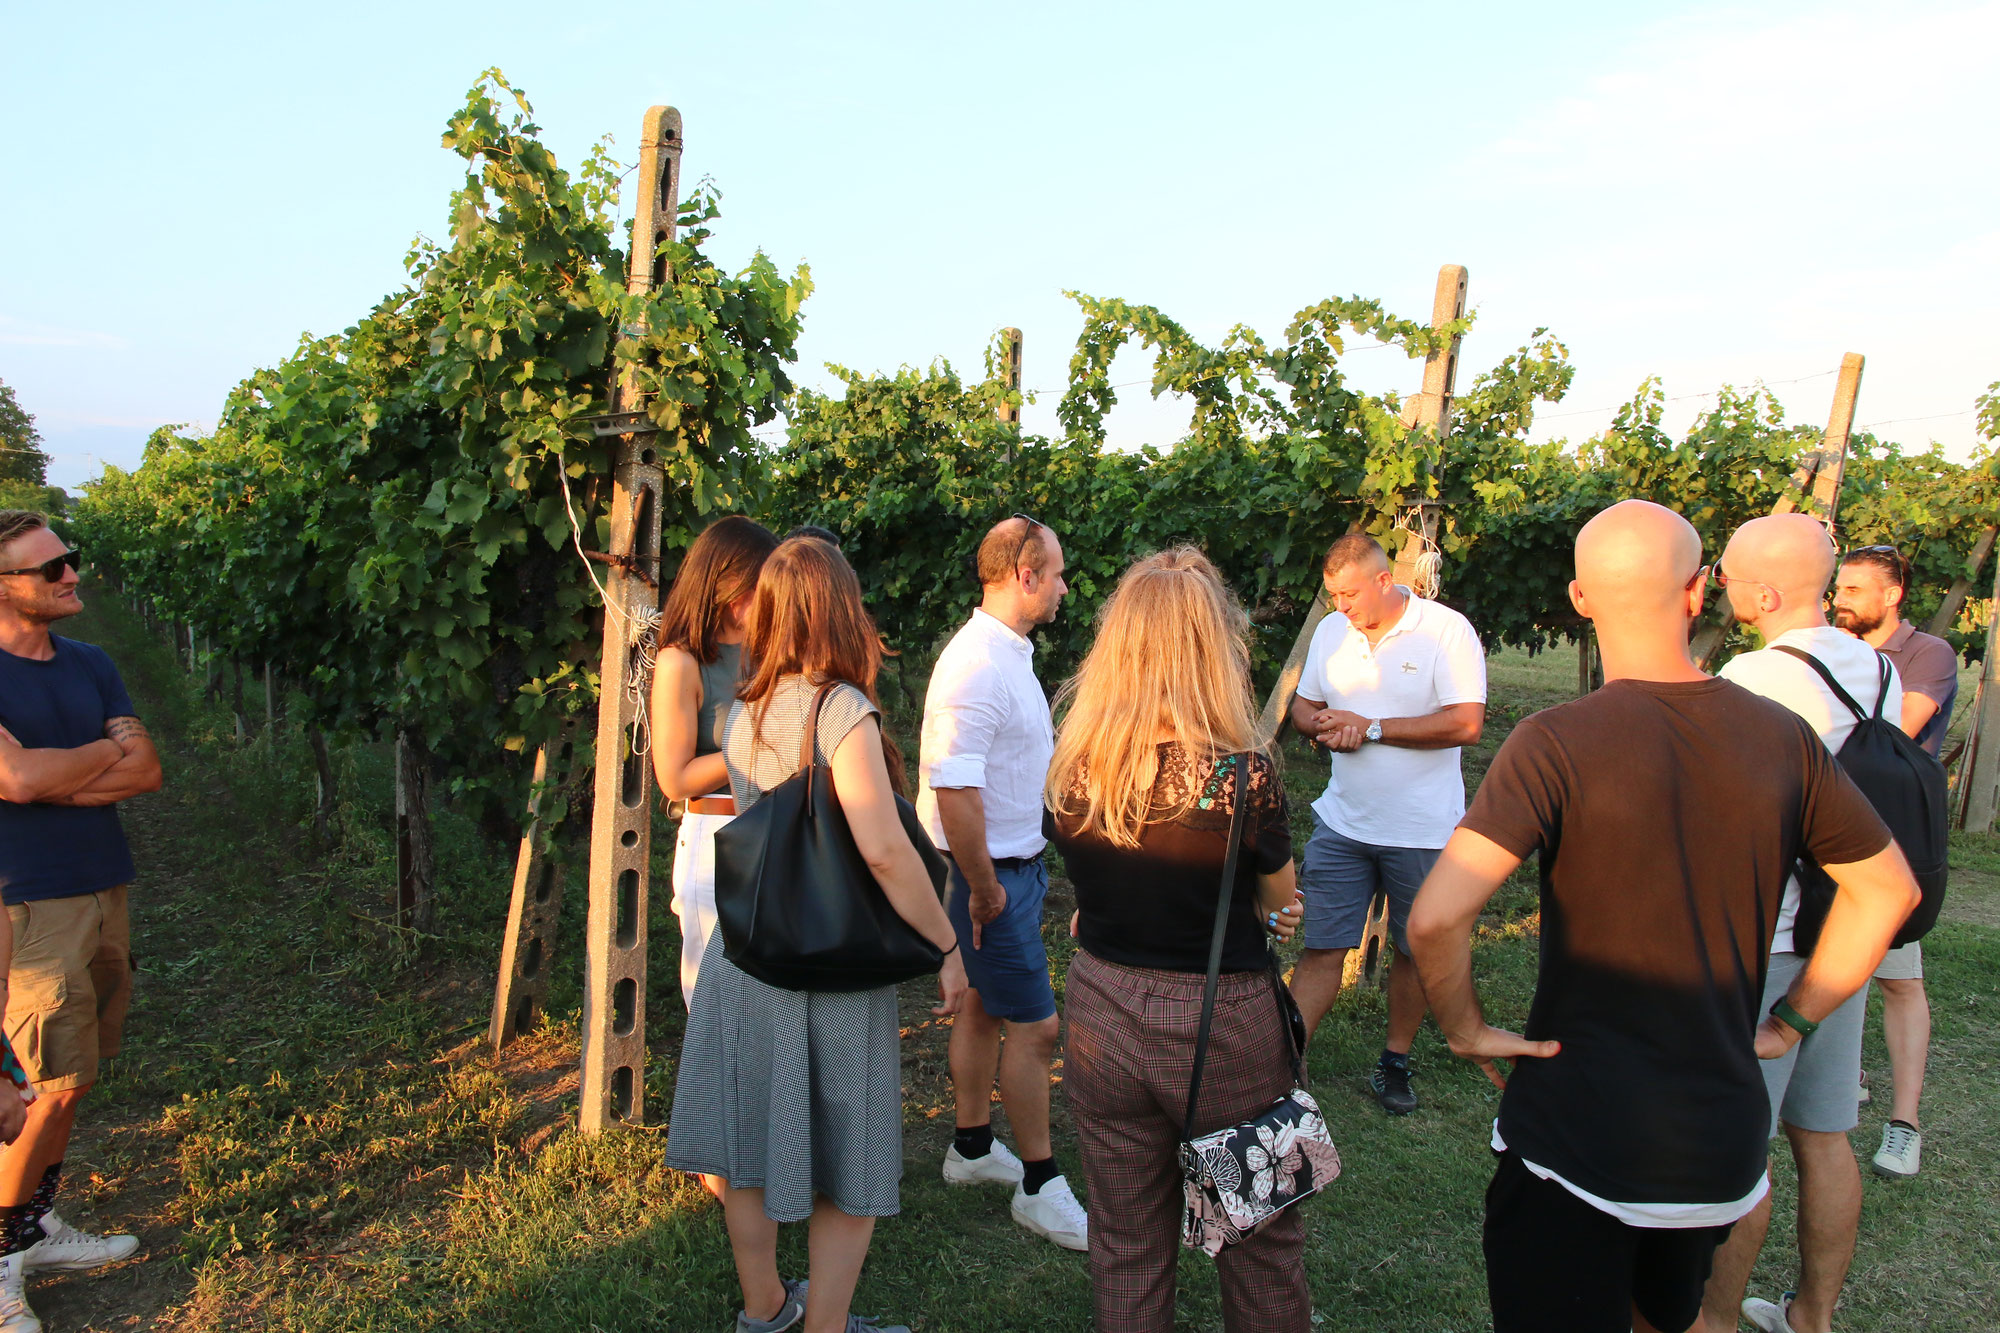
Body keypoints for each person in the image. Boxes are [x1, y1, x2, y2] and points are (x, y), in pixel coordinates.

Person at [1406, 500, 1919, 1333]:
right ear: (1697, 592)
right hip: (1715, 1145)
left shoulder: (1553, 740)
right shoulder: (1783, 737)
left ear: (1579, 598)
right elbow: (1888, 890)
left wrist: (1465, 1029)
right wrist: (1790, 1022)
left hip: (1575, 1137)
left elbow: (1434, 919)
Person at [664, 536, 968, 1333]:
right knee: (849, 1158)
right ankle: (826, 1327)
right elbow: (883, 848)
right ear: (841, 607)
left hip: (748, 957)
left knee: (748, 1154)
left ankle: (765, 1311)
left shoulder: (741, 709)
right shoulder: (841, 709)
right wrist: (945, 944)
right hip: (827, 972)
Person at [1050, 547, 1309, 1333]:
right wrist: (1277, 917)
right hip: (1223, 1018)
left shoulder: (1076, 763)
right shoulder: (1243, 773)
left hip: (1101, 1004)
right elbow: (1280, 899)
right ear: (1211, 644)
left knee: (1126, 1242)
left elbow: (1096, 885)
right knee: (1260, 1239)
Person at [1701, 514, 1909, 1333]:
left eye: (1728, 572)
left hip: (1774, 941)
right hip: (1846, 932)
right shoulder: (1877, 667)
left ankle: (1712, 1318)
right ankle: (1811, 1315)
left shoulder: (1758, 676)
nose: (1720, 583)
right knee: (1824, 1136)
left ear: (1766, 591)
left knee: (1738, 1153)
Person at [0, 510, 162, 1333]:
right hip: (26, 900)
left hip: (103, 886)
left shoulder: (93, 662)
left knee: (78, 1076)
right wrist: (92, 758)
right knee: (31, 1089)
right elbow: (16, 778)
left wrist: (54, 774)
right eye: (50, 567)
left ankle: (34, 1225)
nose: (72, 575)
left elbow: (148, 769)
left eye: (71, 560)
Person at [916, 514, 1087, 1249]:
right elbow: (953, 791)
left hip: (1008, 867)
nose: (1062, 586)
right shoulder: (978, 665)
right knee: (1039, 1025)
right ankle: (1041, 1185)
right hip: (990, 877)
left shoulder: (1007, 651)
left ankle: (973, 1146)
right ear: (1023, 575)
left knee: (984, 1009)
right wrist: (983, 891)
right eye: (1054, 572)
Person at [1285, 532, 1486, 1115]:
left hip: (1423, 831)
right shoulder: (1331, 631)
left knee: (1414, 951)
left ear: (1382, 581)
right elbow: (1305, 704)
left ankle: (1394, 1061)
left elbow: (1466, 723)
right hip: (1344, 822)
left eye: (1349, 595)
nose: (1341, 607)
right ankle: (1287, 1061)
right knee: (1323, 944)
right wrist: (1324, 727)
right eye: (1332, 597)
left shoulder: (1444, 631)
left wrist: (1370, 726)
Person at [1831, 542, 1959, 1180]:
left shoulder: (1925, 655)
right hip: (1831, 829)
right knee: (1827, 957)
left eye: (1854, 589)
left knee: (1898, 976)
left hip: (1893, 835)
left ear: (1892, 596)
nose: (1840, 599)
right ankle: (1844, 1072)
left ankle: (1904, 1124)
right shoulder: (1835, 645)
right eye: (1838, 588)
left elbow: (1895, 727)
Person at [648, 515, 779, 1010]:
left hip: (775, 830)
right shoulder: (682, 661)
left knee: (770, 1002)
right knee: (716, 1006)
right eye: (757, 588)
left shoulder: (767, 649)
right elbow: (675, 778)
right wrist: (758, 750)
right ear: (724, 585)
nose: (767, 601)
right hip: (717, 837)